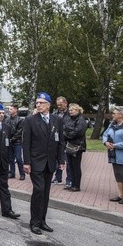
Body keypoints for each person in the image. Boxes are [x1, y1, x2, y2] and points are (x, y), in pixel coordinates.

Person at [23, 92, 65, 235]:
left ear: (48, 104)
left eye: (41, 103)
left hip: (50, 162)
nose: (38, 105)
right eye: (37, 103)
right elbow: (26, 143)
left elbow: (60, 142)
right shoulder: (30, 120)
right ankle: (34, 222)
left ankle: (42, 221)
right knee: (39, 190)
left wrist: (61, 160)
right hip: (36, 162)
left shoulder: (57, 120)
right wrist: (27, 162)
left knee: (46, 193)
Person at [63, 103, 87, 192]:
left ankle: (77, 185)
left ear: (78, 110)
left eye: (72, 110)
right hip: (69, 145)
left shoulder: (81, 120)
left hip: (77, 146)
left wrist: (65, 135)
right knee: (70, 165)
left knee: (76, 166)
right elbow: (65, 128)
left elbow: (77, 133)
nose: (70, 111)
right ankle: (72, 184)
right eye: (69, 110)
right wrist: (66, 133)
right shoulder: (69, 119)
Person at [102, 106, 123, 204]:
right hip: (113, 154)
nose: (112, 115)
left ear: (121, 115)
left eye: (114, 113)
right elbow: (105, 134)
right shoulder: (112, 124)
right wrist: (106, 142)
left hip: (120, 153)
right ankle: (120, 195)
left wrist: (115, 145)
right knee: (118, 175)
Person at [52, 96, 71, 186]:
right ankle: (57, 177)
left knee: (68, 161)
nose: (59, 106)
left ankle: (69, 179)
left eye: (61, 104)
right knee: (58, 159)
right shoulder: (55, 113)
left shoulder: (70, 114)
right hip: (57, 139)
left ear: (65, 103)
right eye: (58, 105)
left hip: (67, 140)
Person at [6, 104, 25, 180]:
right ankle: (12, 173)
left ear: (16, 110)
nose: (9, 110)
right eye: (9, 109)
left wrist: (12, 138)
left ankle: (22, 174)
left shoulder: (20, 120)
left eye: (11, 109)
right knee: (10, 158)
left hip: (17, 142)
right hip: (9, 141)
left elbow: (20, 131)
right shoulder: (7, 120)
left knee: (18, 158)